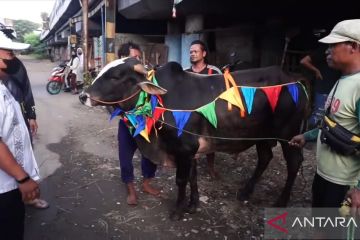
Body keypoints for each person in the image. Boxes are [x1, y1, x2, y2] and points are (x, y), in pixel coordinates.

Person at [289, 19, 360, 211]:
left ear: (353, 46)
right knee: (321, 226)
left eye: (333, 45)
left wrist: (359, 190)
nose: (327, 51)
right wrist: (307, 136)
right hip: (324, 175)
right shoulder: (343, 80)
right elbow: (333, 124)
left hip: (344, 183)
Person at [0, 29, 48, 209]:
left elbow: (26, 90)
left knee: (22, 149)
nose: (12, 57)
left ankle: (27, 194)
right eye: (9, 52)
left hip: (16, 119)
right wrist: (23, 179)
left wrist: (31, 115)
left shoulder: (15, 68)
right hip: (5, 186)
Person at [116, 42, 159, 205]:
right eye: (134, 57)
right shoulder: (115, 78)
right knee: (125, 156)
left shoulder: (146, 76)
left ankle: (146, 183)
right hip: (127, 123)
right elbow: (108, 102)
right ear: (123, 58)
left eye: (138, 58)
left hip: (146, 122)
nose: (137, 61)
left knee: (149, 154)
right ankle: (130, 188)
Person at [184, 40, 222, 179]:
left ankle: (211, 168)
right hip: (190, 113)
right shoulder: (185, 73)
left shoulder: (214, 71)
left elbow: (222, 90)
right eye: (191, 52)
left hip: (209, 112)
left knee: (209, 140)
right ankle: (190, 168)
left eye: (196, 51)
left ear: (204, 53)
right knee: (190, 141)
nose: (192, 54)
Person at [300, 29, 341, 128]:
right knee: (319, 115)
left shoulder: (339, 51)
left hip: (334, 86)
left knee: (330, 115)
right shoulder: (323, 50)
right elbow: (304, 61)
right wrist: (316, 71)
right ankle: (310, 136)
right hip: (324, 86)